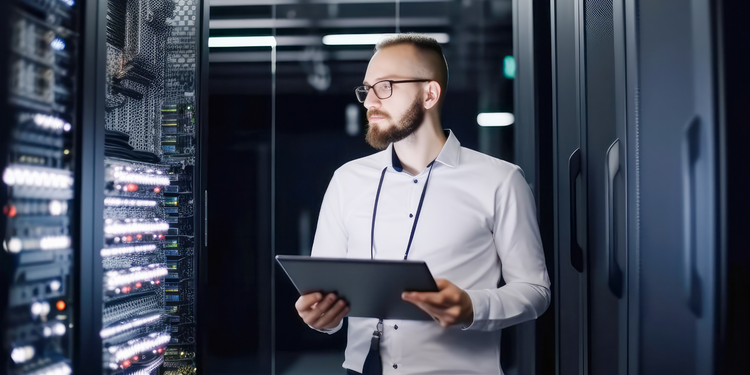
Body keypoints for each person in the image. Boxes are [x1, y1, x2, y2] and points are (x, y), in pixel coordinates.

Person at [294, 33, 550, 375]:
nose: (369, 100)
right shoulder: (346, 180)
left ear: (429, 93)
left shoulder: (500, 180)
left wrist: (471, 306)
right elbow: (325, 292)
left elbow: (535, 290)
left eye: (384, 86)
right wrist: (320, 318)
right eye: (366, 89)